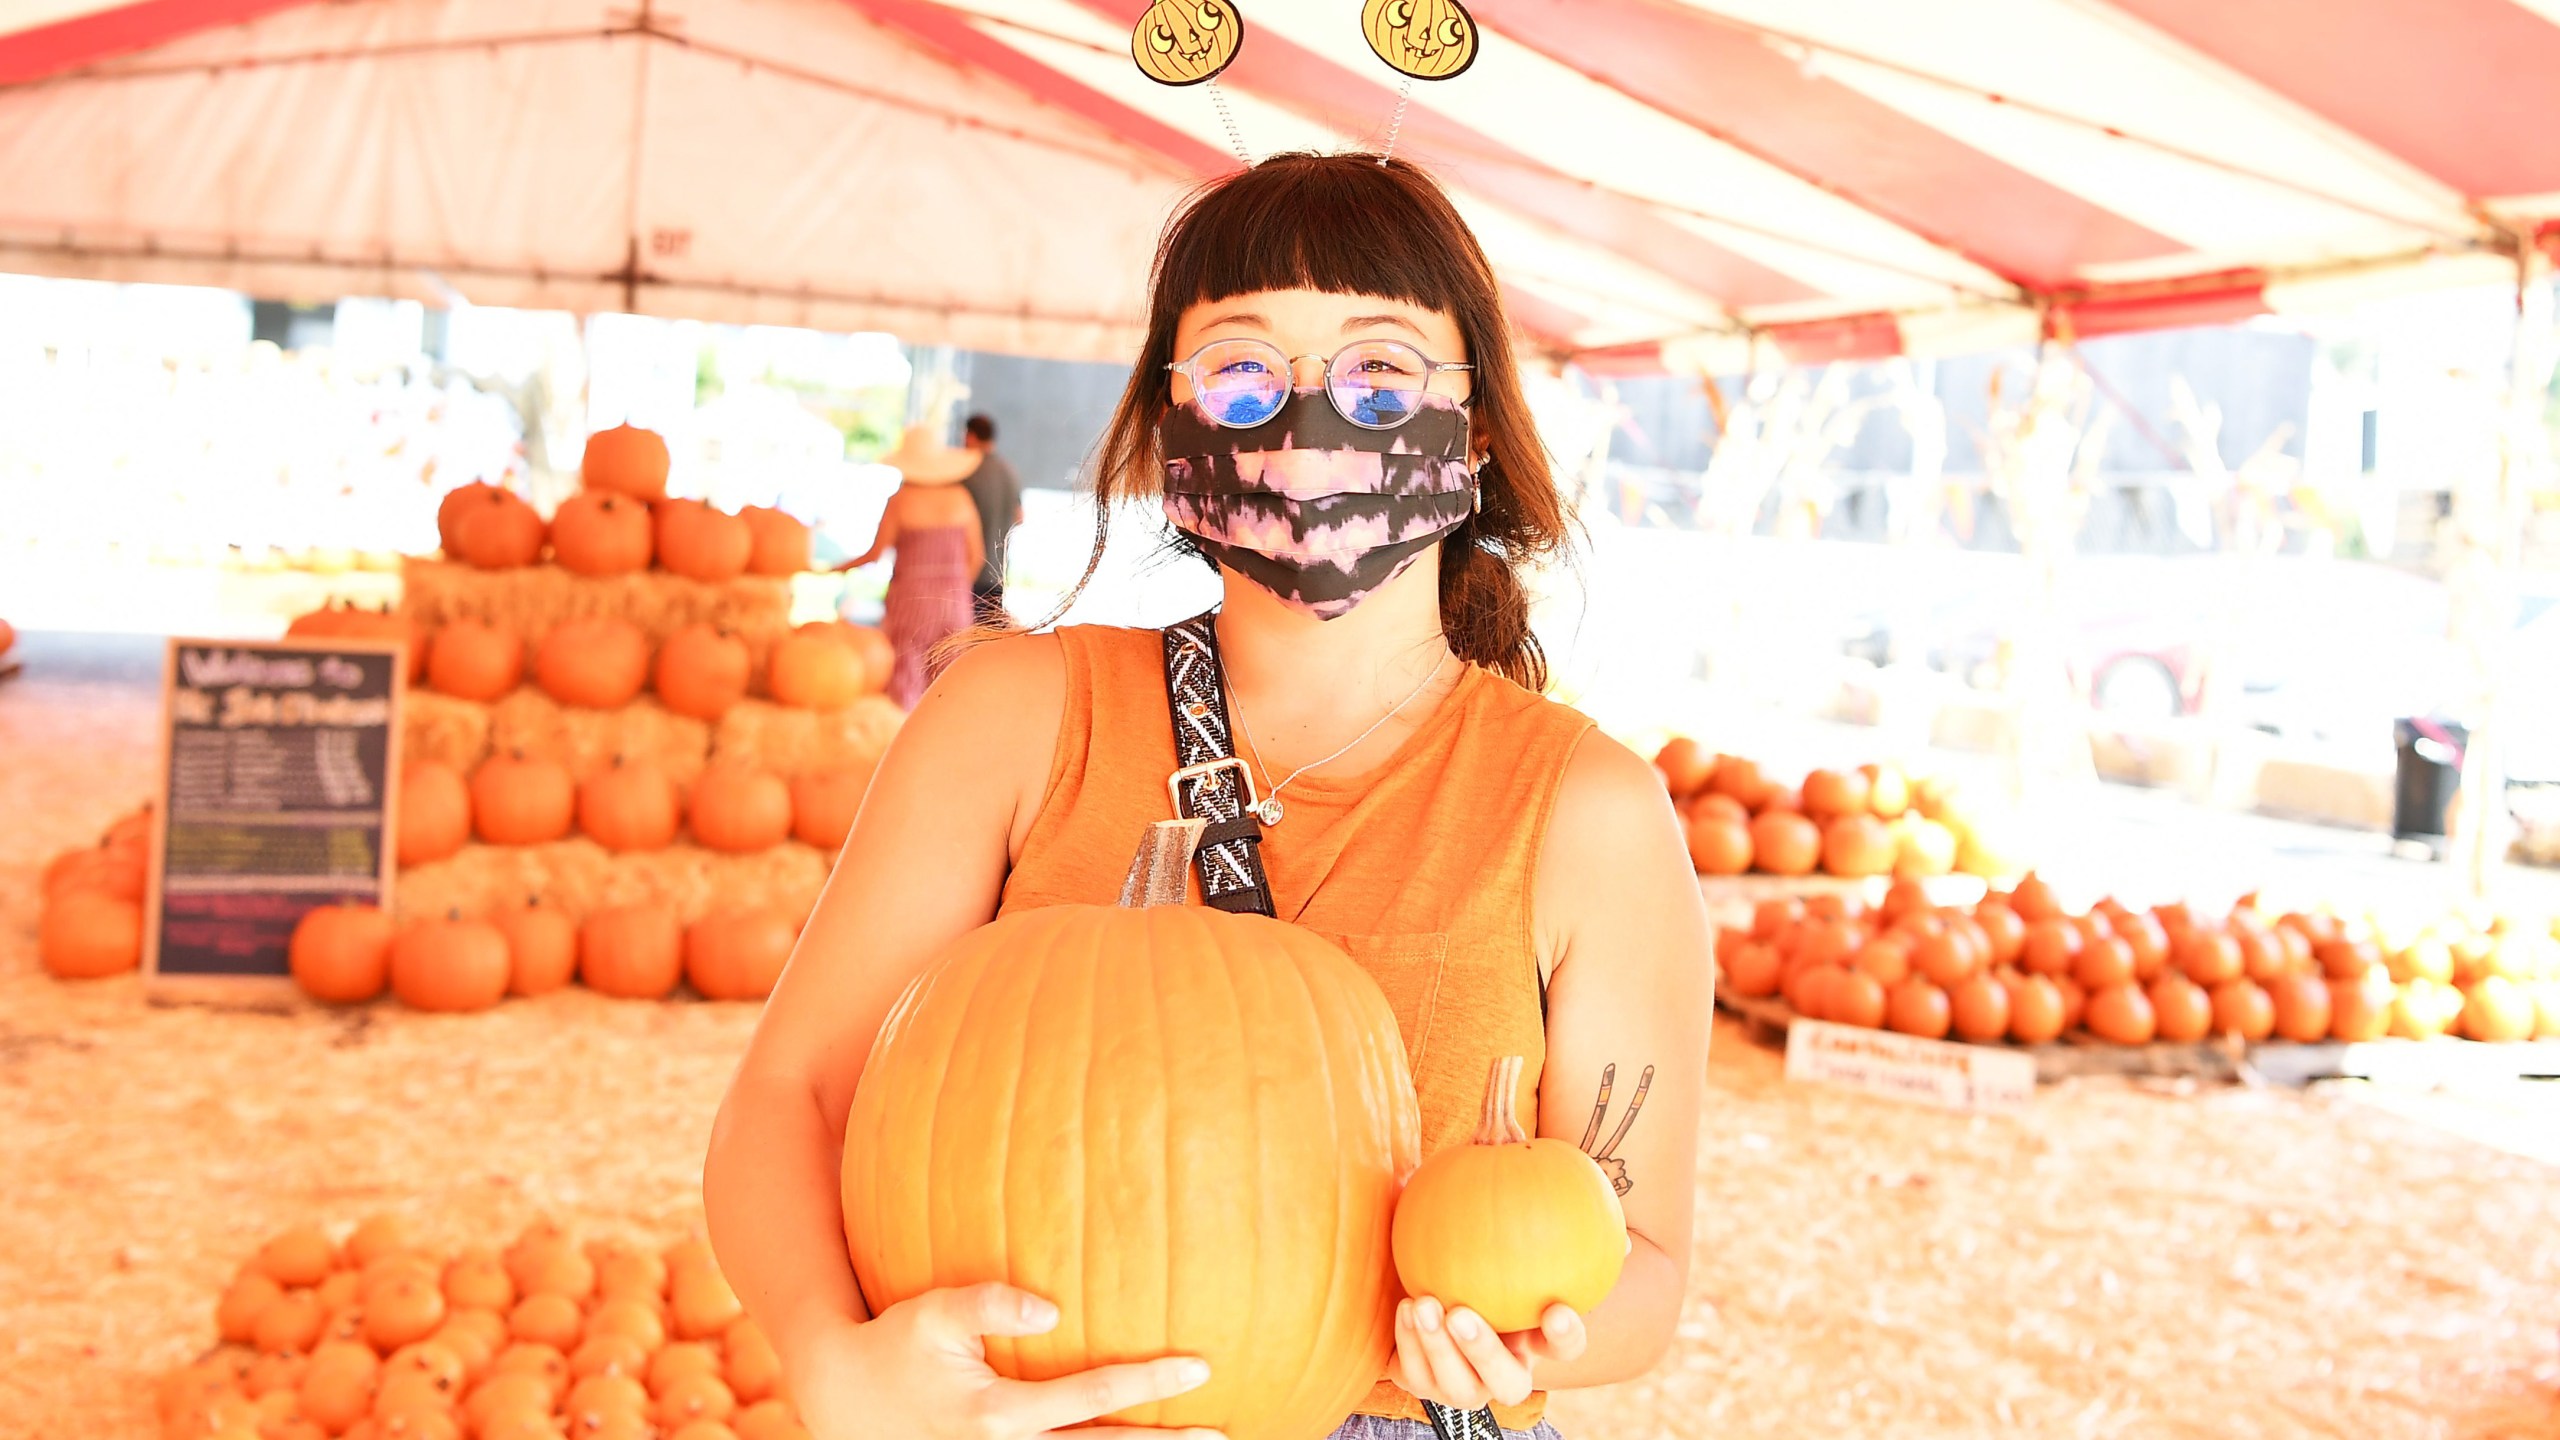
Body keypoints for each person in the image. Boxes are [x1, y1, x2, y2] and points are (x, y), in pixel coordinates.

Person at [706, 153, 1709, 1440]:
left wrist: (1536, 1337)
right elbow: (784, 1106)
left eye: (1379, 372)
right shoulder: (1012, 718)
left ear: (1474, 421)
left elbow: (1644, 1263)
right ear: (1167, 417)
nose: (1307, 422)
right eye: (1241, 369)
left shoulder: (1586, 809)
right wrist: (829, 1362)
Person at [834, 426, 984, 708]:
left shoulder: (900, 501)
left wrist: (835, 568)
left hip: (911, 600)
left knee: (905, 681)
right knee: (950, 684)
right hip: (954, 598)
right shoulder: (961, 498)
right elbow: (976, 556)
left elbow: (875, 554)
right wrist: (956, 588)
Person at [958, 412, 1022, 618]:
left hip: (969, 571)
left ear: (970, 436)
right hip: (998, 571)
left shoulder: (967, 470)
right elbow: (1020, 517)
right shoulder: (1009, 471)